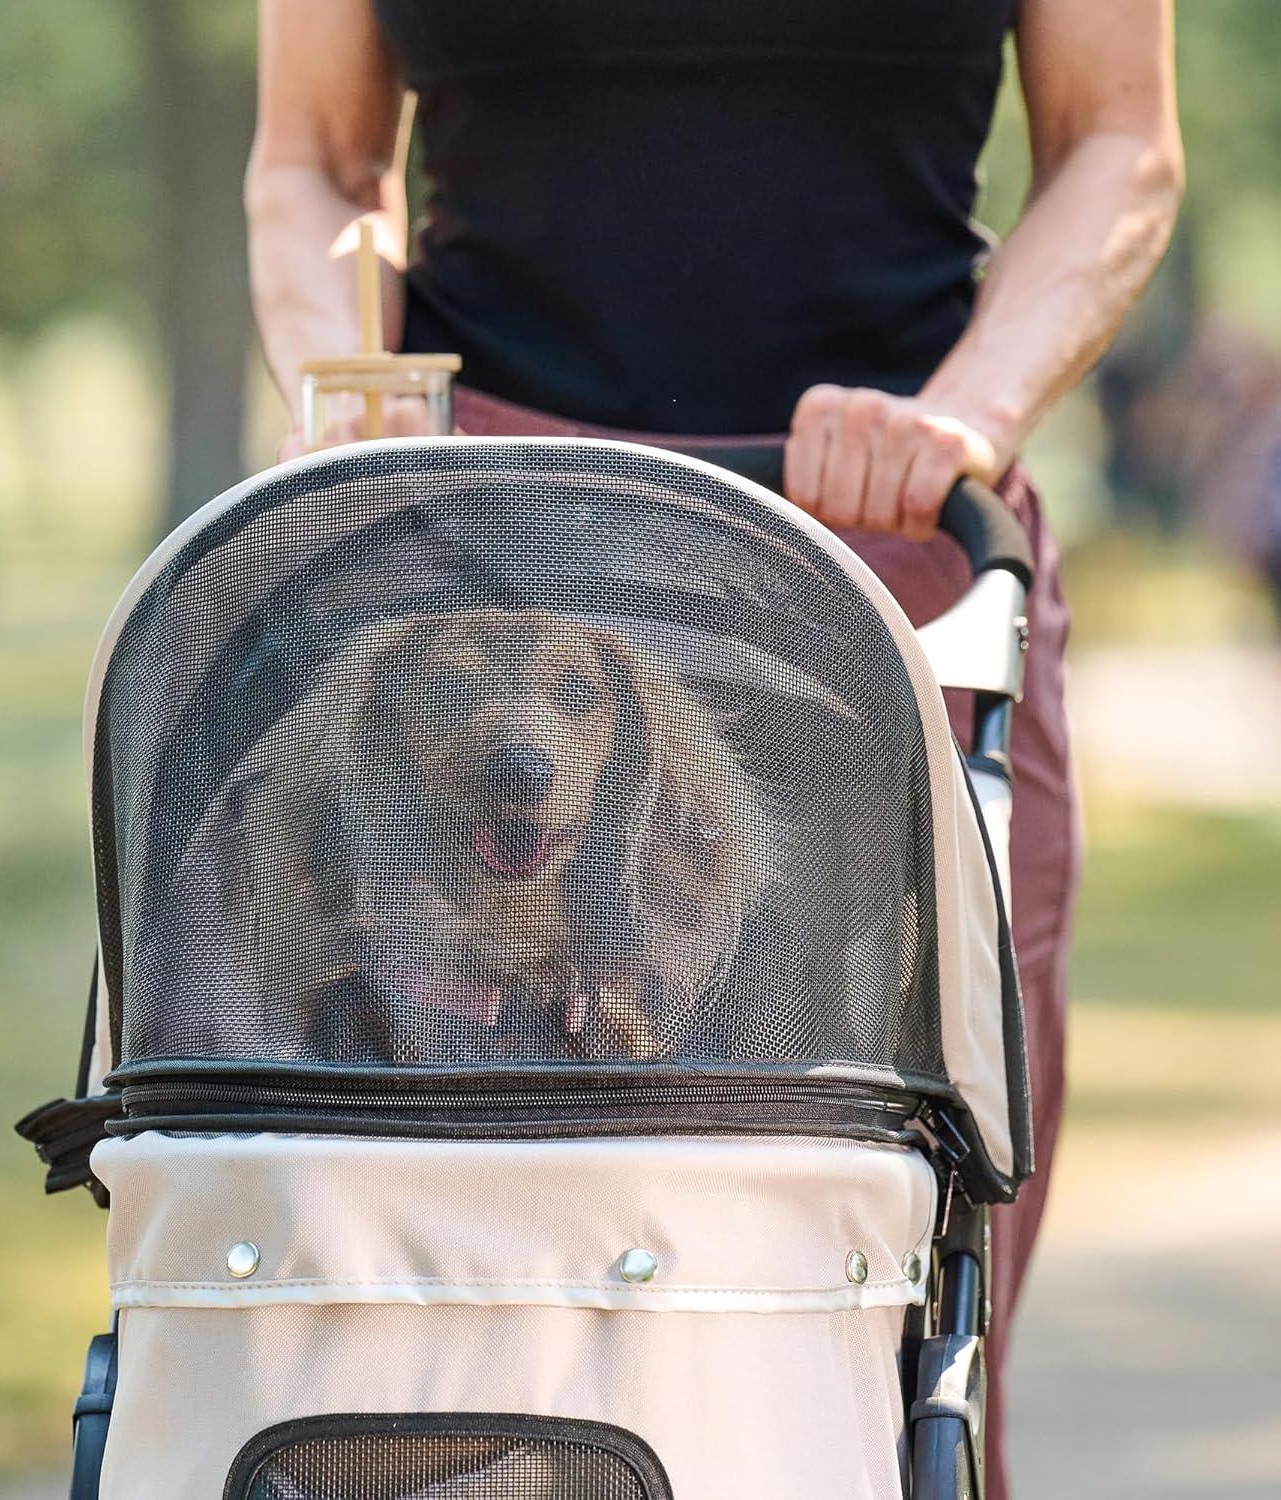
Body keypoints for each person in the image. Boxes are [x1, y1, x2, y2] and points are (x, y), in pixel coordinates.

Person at [244, 3, 1184, 1494]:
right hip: (492, 565)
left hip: (886, 540)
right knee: (450, 1289)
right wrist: (340, 398)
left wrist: (962, 420)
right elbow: (315, 156)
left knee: (905, 1254)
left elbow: (1121, 142)